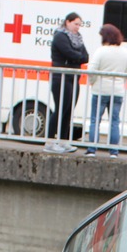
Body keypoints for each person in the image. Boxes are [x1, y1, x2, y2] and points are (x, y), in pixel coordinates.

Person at [85, 24, 127, 157]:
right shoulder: (125, 52)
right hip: (117, 91)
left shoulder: (101, 51)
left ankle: (92, 150)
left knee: (95, 120)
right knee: (114, 121)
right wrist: (121, 82)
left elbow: (91, 70)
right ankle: (113, 152)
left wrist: (93, 82)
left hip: (100, 90)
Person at [45, 12, 89, 154]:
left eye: (79, 25)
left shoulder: (78, 38)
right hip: (61, 77)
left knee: (69, 109)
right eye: (76, 24)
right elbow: (70, 53)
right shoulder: (60, 36)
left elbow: (85, 56)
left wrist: (78, 57)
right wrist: (78, 57)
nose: (78, 27)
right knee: (61, 108)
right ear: (68, 22)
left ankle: (63, 141)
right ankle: (50, 141)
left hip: (73, 76)